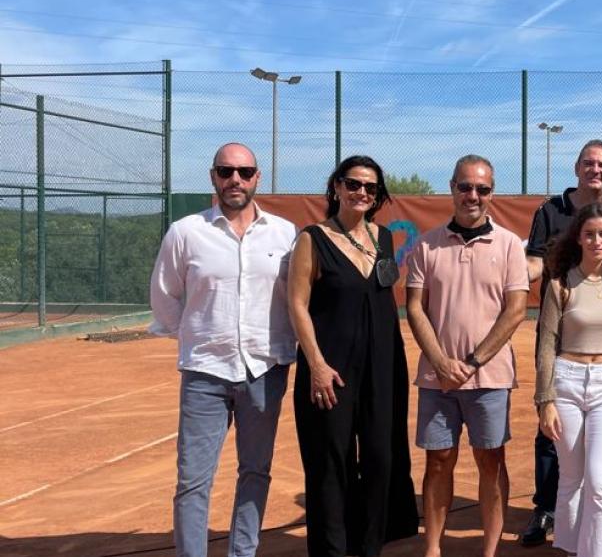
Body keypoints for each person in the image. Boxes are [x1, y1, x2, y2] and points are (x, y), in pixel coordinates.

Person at [149, 143, 296, 557]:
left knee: (255, 472)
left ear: (257, 177)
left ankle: (242, 553)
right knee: (192, 480)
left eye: (244, 172)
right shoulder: (185, 232)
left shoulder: (285, 234)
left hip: (265, 370)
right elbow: (164, 297)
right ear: (213, 176)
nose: (236, 179)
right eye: (226, 171)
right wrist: (198, 337)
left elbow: (295, 300)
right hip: (205, 373)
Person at [286, 155, 419, 557]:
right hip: (333, 369)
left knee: (381, 457)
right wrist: (317, 365)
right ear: (337, 187)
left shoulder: (384, 238)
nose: (362, 192)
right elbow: (296, 303)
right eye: (354, 184)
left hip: (382, 366)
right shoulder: (313, 238)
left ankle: (369, 546)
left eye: (371, 187)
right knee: (332, 462)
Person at [405, 154, 529, 557]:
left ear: (492, 193)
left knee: (490, 459)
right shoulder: (426, 244)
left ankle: (489, 551)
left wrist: (473, 362)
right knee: (438, 460)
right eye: (465, 187)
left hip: (489, 378)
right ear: (452, 188)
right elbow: (414, 307)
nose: (472, 195)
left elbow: (515, 311)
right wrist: (441, 362)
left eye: (482, 188)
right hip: (436, 377)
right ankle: (434, 548)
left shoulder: (510, 245)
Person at [522, 139, 602, 547]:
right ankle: (550, 516)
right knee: (563, 466)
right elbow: (534, 260)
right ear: (576, 167)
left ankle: (598, 538)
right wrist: (511, 276)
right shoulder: (551, 212)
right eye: (588, 163)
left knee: (599, 477)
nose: (596, 170)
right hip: (566, 369)